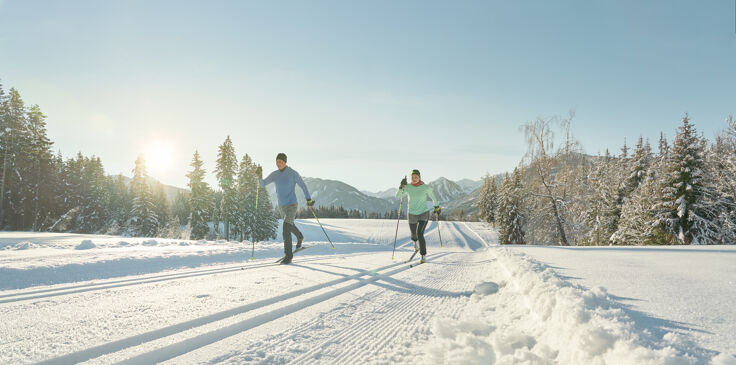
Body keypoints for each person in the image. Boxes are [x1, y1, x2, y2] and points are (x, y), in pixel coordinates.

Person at [257, 153, 314, 264]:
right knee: (289, 225)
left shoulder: (293, 173)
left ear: (285, 162)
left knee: (286, 228)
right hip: (281, 206)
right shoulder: (275, 174)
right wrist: (259, 175)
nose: (278, 164)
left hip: (292, 205)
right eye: (277, 162)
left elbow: (303, 185)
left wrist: (308, 199)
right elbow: (262, 185)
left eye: (281, 162)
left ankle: (288, 255)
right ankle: (300, 236)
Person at [397, 169, 440, 263]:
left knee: (420, 234)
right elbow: (398, 196)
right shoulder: (407, 187)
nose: (414, 179)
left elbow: (433, 197)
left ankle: (423, 255)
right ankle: (416, 246)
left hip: (423, 213)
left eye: (416, 177)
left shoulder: (426, 187)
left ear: (419, 177)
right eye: (412, 177)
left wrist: (436, 207)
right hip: (411, 213)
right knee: (414, 235)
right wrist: (401, 186)